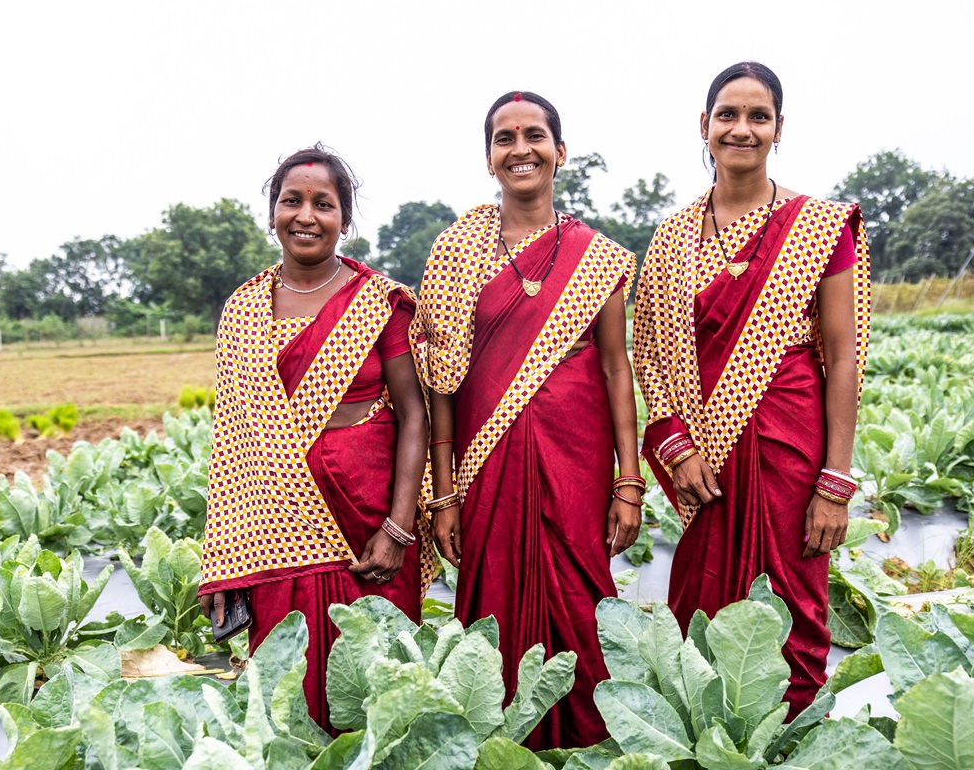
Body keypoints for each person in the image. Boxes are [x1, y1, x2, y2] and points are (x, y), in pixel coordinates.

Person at [632, 62, 871, 719]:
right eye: (727, 115)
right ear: (703, 127)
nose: (742, 129)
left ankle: (789, 739)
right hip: (703, 459)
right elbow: (648, 350)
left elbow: (846, 357)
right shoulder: (671, 238)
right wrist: (674, 447)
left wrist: (835, 482)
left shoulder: (819, 226)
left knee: (792, 600)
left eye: (757, 116)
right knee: (701, 605)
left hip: (790, 444)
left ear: (779, 129)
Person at [417, 91, 642, 750]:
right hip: (487, 466)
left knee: (581, 597)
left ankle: (592, 747)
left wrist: (629, 480)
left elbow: (614, 368)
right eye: (504, 138)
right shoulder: (456, 253)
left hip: (576, 457)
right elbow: (440, 386)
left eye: (535, 134)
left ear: (560, 151)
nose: (521, 148)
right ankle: (503, 749)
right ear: (489, 159)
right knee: (494, 611)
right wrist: (444, 490)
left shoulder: (596, 256)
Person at [199, 145, 432, 732]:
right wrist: (223, 564)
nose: (306, 215)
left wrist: (398, 527)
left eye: (323, 204)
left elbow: (414, 415)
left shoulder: (381, 301)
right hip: (278, 534)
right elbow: (233, 442)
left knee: (376, 688)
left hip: (370, 524)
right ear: (272, 214)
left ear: (344, 220)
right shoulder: (244, 309)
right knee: (288, 700)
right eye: (291, 201)